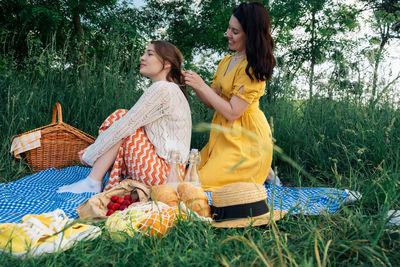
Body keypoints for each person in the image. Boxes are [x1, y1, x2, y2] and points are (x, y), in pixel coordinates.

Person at [58, 41, 191, 194]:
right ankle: (94, 181)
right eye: (144, 53)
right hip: (171, 173)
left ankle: (93, 181)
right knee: (124, 121)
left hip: (164, 176)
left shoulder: (162, 88)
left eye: (149, 54)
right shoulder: (170, 88)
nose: (142, 57)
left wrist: (92, 153)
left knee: (121, 117)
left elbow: (125, 125)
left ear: (166, 63)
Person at [183, 2, 280, 191]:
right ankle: (265, 174)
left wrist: (201, 85)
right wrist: (194, 83)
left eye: (235, 31)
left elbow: (233, 112)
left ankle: (260, 169)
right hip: (222, 136)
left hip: (245, 139)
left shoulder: (252, 67)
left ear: (250, 35)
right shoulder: (226, 61)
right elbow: (213, 102)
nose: (228, 34)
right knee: (188, 175)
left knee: (199, 185)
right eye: (229, 28)